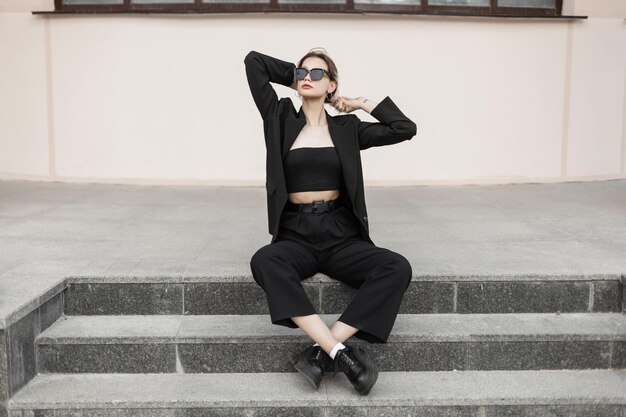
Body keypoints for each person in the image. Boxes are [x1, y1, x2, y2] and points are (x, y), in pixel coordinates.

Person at [244, 47, 417, 396]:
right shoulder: (279, 118)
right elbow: (254, 62)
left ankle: (320, 352)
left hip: (340, 234)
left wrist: (360, 103)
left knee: (396, 267)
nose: (308, 78)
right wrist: (297, 72)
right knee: (264, 260)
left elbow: (404, 128)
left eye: (318, 74)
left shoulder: (347, 128)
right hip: (296, 233)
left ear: (332, 84)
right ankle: (340, 353)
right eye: (303, 73)